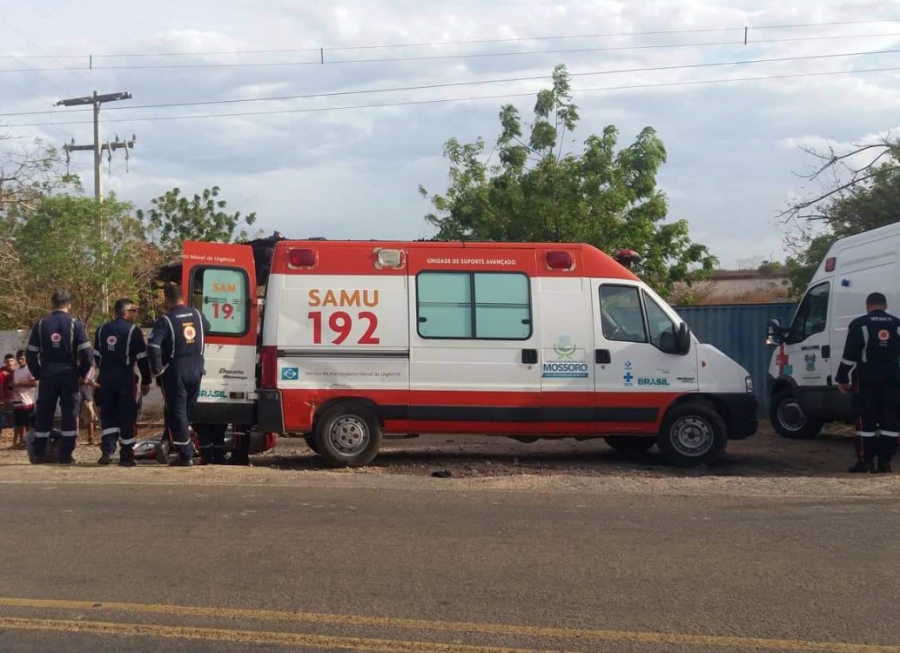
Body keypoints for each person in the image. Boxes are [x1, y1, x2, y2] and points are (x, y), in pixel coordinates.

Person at [25, 290, 93, 464]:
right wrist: (81, 373)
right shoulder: (75, 324)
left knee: (44, 412)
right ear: (69, 305)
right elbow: (86, 353)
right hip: (68, 373)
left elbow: (31, 354)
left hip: (47, 372)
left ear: (52, 304)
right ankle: (66, 455)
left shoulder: (41, 324)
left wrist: (39, 373)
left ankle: (39, 454)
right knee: (70, 413)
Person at [836, 292, 900, 473]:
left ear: (867, 306)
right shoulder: (897, 324)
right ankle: (885, 462)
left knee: (865, 419)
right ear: (886, 306)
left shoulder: (859, 324)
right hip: (894, 376)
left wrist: (842, 378)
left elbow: (849, 355)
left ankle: (865, 461)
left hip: (866, 376)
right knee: (892, 420)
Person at [148, 285, 210, 467]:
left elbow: (153, 346)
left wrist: (158, 370)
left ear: (168, 299)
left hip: (176, 369)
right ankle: (173, 443)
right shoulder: (198, 315)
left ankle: (185, 454)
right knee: (186, 410)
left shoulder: (165, 320)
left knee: (177, 411)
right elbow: (207, 328)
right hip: (197, 366)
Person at [94, 298, 152, 467]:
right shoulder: (133, 331)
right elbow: (142, 358)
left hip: (105, 377)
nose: (135, 314)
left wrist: (106, 371)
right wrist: (146, 381)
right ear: (126, 312)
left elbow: (96, 356)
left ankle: (107, 450)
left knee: (108, 414)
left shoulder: (101, 329)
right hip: (125, 378)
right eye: (133, 311)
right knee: (127, 415)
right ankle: (126, 455)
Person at [11, 350, 37, 450]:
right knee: (18, 424)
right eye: (18, 358)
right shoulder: (16, 369)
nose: (20, 360)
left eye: (22, 358)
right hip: (17, 401)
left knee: (28, 425)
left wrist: (20, 384)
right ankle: (20, 442)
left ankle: (29, 442)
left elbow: (35, 383)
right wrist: (12, 385)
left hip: (27, 402)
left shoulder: (30, 369)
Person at [80, 363, 99, 445]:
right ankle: (76, 436)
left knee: (89, 416)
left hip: (87, 394)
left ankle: (91, 437)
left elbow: (90, 380)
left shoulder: (92, 368)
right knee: (78, 416)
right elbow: (87, 380)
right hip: (82, 393)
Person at [0, 353, 15, 442]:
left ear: (14, 362)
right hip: (4, 399)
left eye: (11, 361)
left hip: (15, 398)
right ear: (5, 362)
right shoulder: (2, 370)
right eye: (8, 361)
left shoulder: (17, 371)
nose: (9, 363)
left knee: (15, 419)